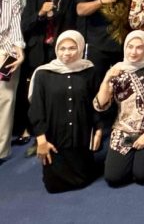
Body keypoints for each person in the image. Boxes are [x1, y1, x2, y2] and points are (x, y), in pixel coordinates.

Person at [27, 31, 101, 192]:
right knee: (53, 185)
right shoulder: (43, 74)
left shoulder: (89, 71)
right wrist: (41, 140)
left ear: (80, 48)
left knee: (85, 178)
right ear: (56, 49)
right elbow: (36, 109)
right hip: (54, 139)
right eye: (62, 48)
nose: (66, 53)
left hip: (81, 136)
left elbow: (96, 104)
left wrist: (99, 130)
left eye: (72, 48)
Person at [16, 0, 77, 147]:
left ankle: (55, 130)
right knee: (32, 92)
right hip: (37, 51)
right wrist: (40, 13)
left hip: (62, 52)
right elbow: (23, 26)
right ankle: (28, 128)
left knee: (58, 92)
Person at [94, 31, 144, 186]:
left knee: (142, 175)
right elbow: (101, 105)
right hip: (123, 129)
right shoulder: (118, 68)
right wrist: (107, 79)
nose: (133, 52)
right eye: (130, 47)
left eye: (139, 47)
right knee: (114, 177)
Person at [0, 0, 26, 163]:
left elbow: (16, 29)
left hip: (5, 53)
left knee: (5, 101)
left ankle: (1, 150)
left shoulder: (12, 0)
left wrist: (19, 51)